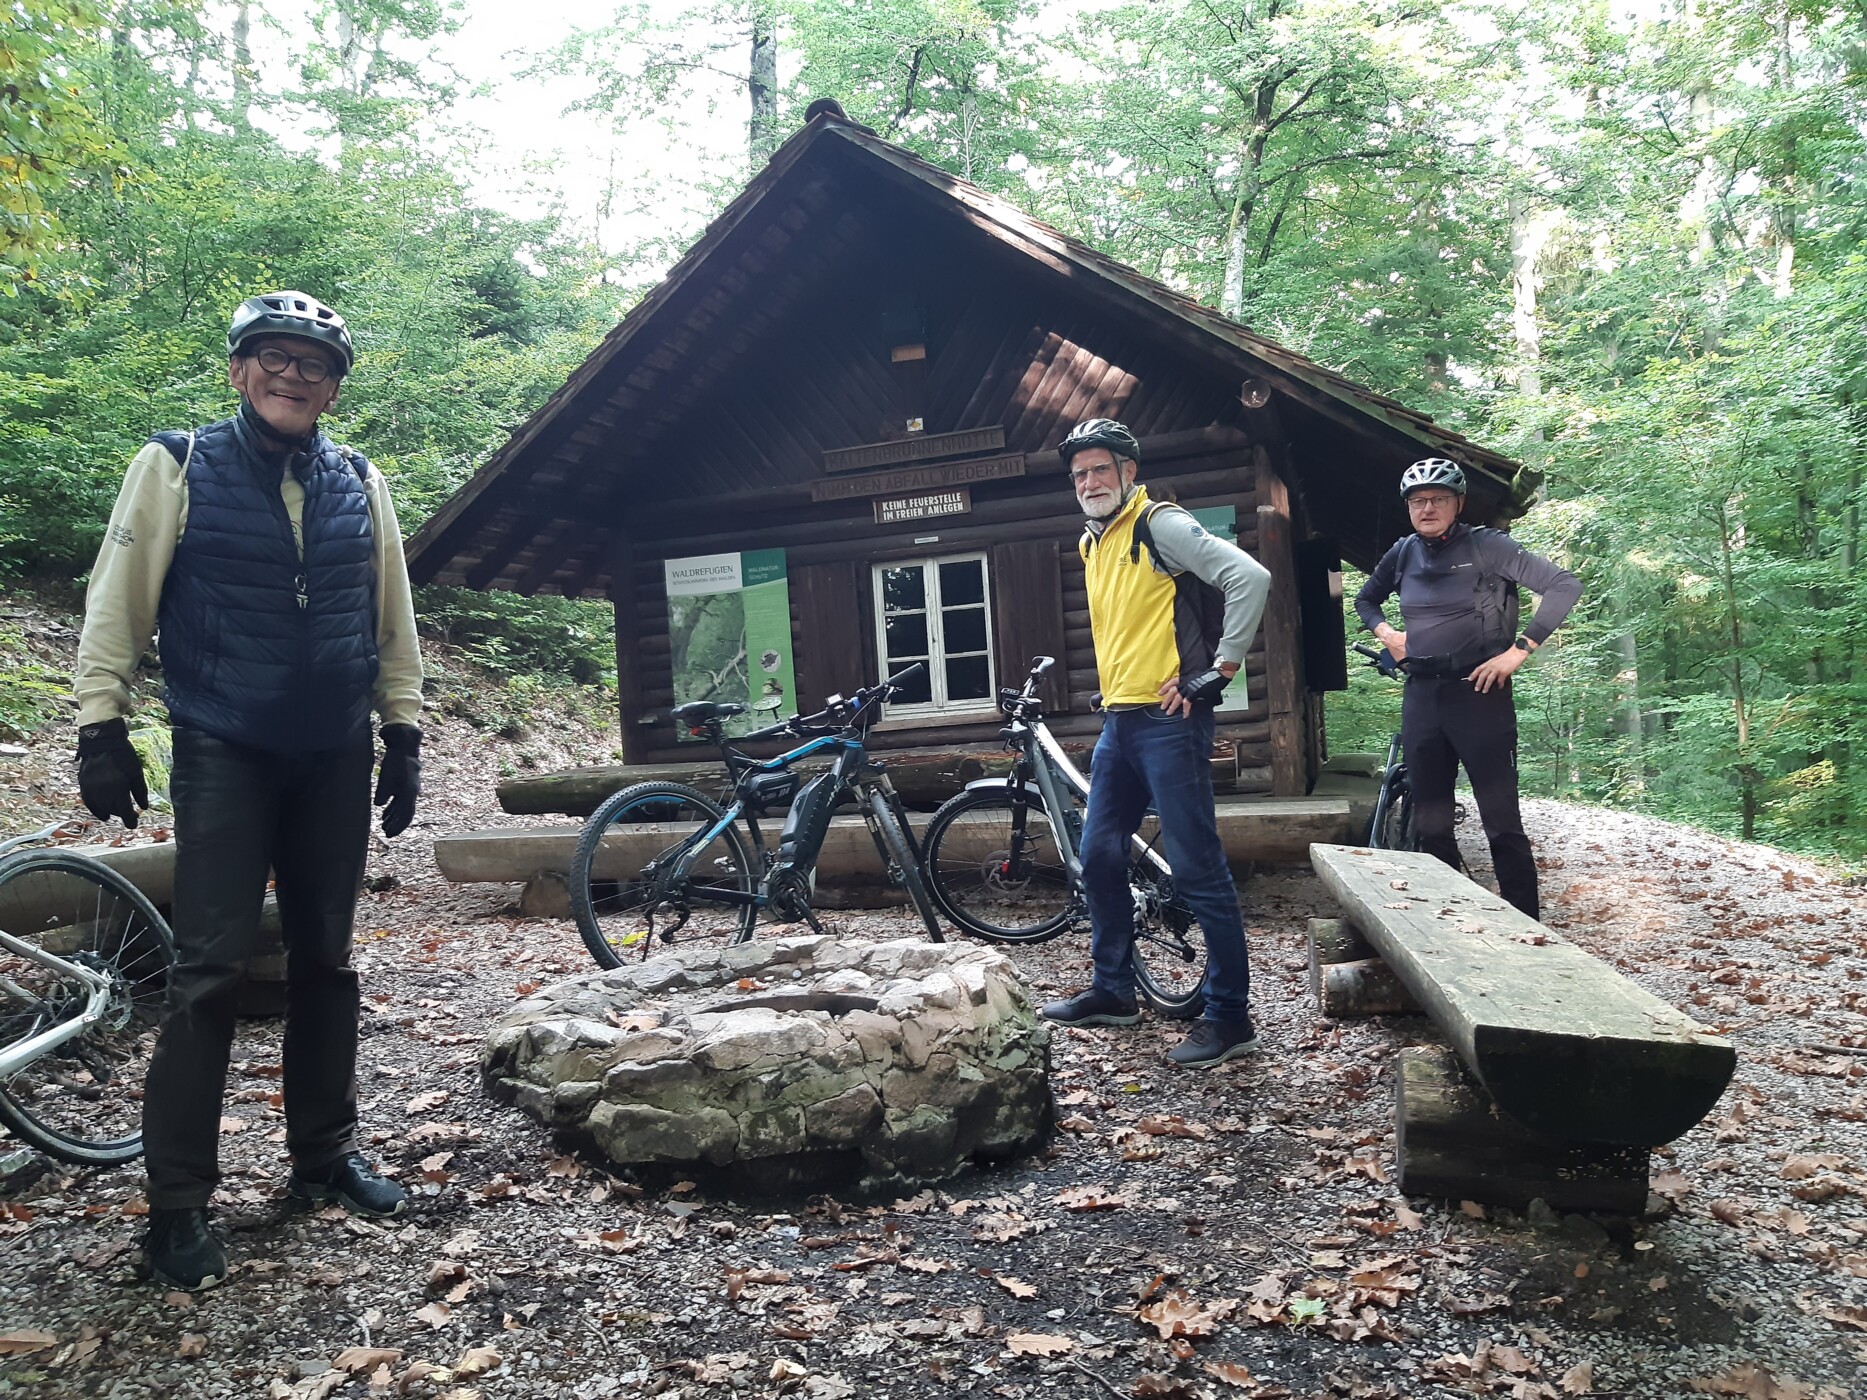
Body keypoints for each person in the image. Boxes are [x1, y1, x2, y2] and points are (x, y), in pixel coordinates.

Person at [73, 291, 426, 1291]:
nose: (292, 376)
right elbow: (117, 598)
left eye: (314, 365)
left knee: (327, 961)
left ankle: (322, 1157)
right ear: (239, 370)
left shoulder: (361, 480)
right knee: (209, 969)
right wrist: (100, 722)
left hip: (332, 752)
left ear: (332, 390)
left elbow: (391, 615)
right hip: (224, 745)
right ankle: (178, 1205)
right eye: (274, 357)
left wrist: (402, 730)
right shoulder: (176, 464)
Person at [1039, 418, 1271, 1069]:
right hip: (1121, 723)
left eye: (1100, 470)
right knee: (1097, 855)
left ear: (1128, 472)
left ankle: (1229, 1017)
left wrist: (1218, 671)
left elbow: (1249, 577)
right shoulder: (1091, 542)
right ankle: (1113, 991)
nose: (1089, 482)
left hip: (1172, 725)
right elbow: (1133, 627)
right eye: (1079, 474)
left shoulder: (1157, 525)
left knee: (1197, 868)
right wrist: (1114, 688)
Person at [1353, 458, 1582, 919]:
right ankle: (1450, 925)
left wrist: (1518, 651)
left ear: (1458, 503)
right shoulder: (1403, 552)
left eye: (1438, 498)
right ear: (1408, 507)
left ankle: (1528, 929)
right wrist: (1387, 634)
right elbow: (1366, 599)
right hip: (1422, 695)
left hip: (1479, 696)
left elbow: (1564, 586)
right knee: (1430, 824)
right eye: (1418, 500)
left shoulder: (1488, 546)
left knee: (1501, 824)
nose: (1427, 508)